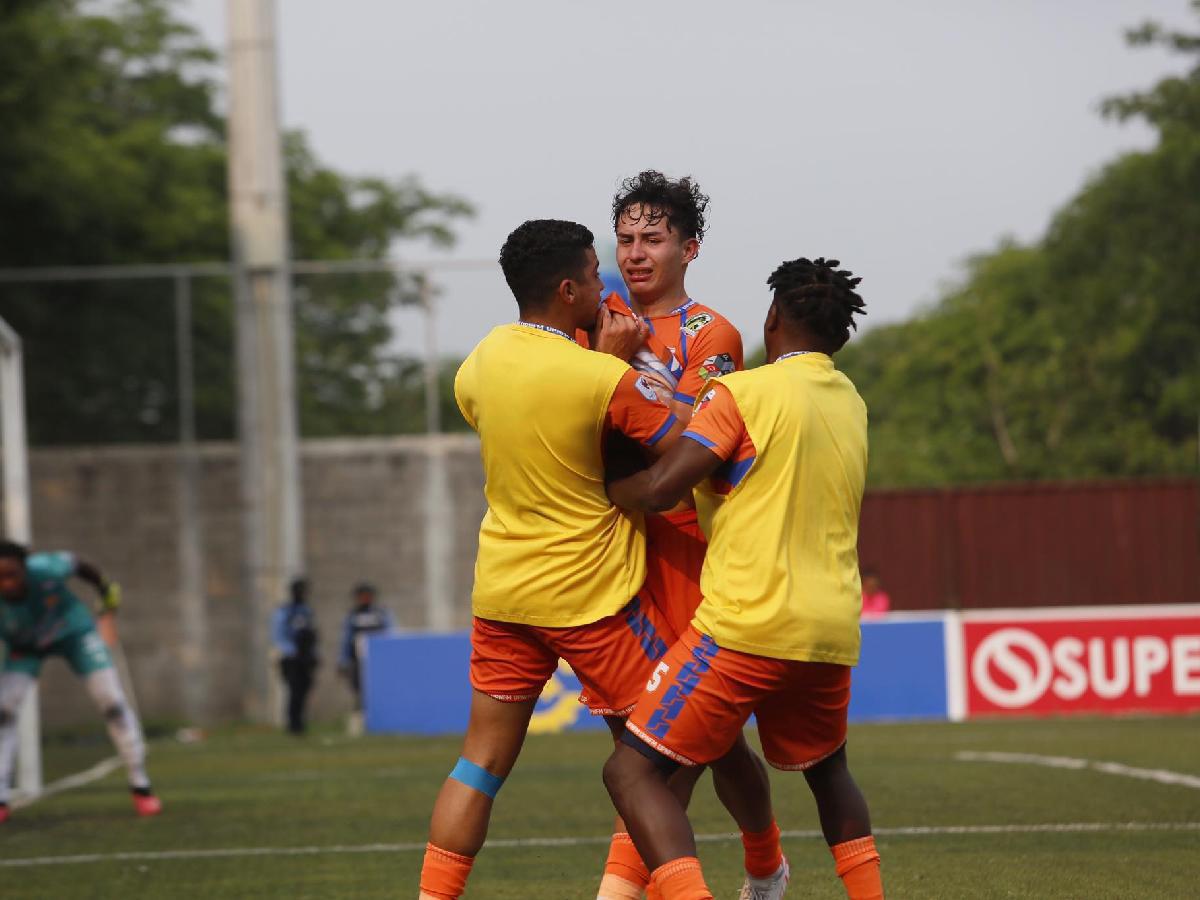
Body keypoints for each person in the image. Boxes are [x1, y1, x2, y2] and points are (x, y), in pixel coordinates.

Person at [417, 219, 773, 900]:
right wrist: (623, 364)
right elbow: (689, 451)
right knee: (655, 764)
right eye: (593, 274)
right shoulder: (600, 378)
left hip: (502, 594)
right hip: (592, 600)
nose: (606, 286)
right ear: (566, 289)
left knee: (480, 766)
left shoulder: (479, 363)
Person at [602, 258, 884, 900]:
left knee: (633, 774)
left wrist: (597, 488)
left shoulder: (743, 393)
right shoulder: (850, 403)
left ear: (773, 317)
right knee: (829, 773)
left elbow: (660, 487)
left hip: (746, 624)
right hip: (830, 628)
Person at [594, 172, 780, 900]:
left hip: (689, 553)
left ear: (689, 248)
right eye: (627, 239)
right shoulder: (595, 319)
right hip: (613, 554)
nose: (637, 254)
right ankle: (764, 859)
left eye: (654, 238)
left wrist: (626, 373)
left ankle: (746, 865)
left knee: (660, 756)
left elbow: (690, 449)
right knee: (690, 744)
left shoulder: (713, 334)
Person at [0, 541, 161, 822]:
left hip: (74, 634)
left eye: (12, 574)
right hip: (25, 647)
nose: (7, 583)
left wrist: (105, 590)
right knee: (4, 711)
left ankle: (140, 784)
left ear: (24, 569)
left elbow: (78, 563)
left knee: (111, 702)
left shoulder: (45, 569)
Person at [271, 577, 319, 735]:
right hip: (291, 658)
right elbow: (278, 634)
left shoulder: (306, 610)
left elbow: (312, 633)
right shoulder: (285, 611)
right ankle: (293, 724)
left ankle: (300, 722)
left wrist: (313, 654)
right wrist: (291, 651)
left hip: (305, 656)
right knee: (294, 691)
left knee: (304, 690)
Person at [337, 582, 392, 712]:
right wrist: (342, 661)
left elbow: (390, 634)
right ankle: (361, 715)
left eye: (367, 595)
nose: (365, 598)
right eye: (362, 596)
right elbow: (345, 639)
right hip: (358, 659)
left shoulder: (382, 613)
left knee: (379, 689)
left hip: (379, 660)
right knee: (359, 689)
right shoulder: (352, 615)